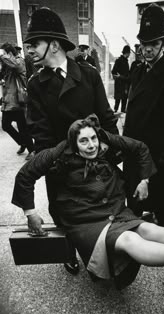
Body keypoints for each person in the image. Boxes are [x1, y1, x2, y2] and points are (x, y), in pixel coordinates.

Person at [12, 115, 164, 290]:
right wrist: (30, 213)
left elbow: (140, 148)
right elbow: (25, 175)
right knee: (129, 239)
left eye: (93, 138)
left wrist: (144, 180)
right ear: (74, 143)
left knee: (147, 228)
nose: (91, 145)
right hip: (85, 219)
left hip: (116, 210)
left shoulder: (107, 141)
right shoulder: (58, 153)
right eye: (83, 141)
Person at [23, 7, 118, 274]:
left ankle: (102, 257)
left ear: (53, 45)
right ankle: (69, 252)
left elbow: (107, 118)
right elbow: (40, 134)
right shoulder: (36, 84)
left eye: (34, 44)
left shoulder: (87, 74)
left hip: (94, 161)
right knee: (63, 214)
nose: (29, 49)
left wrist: (112, 153)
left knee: (100, 212)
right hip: (60, 166)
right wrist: (55, 165)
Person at [123, 4, 164, 226]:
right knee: (134, 206)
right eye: (144, 44)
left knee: (159, 206)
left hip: (158, 156)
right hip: (134, 150)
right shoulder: (138, 70)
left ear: (163, 43)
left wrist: (157, 167)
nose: (147, 49)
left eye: (153, 44)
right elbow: (132, 113)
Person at [0, 42, 35, 160]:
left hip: (19, 99)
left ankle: (32, 150)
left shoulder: (19, 60)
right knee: (5, 125)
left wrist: (2, 56)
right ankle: (23, 142)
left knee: (23, 127)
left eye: (4, 53)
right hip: (8, 100)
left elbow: (15, 66)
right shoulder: (5, 64)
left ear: (9, 53)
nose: (2, 55)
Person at [111, 45, 131, 113]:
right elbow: (113, 71)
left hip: (123, 82)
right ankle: (117, 110)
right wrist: (118, 76)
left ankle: (120, 110)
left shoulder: (125, 61)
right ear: (127, 53)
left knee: (123, 97)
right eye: (129, 53)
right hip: (120, 82)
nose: (129, 55)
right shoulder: (119, 60)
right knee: (119, 97)